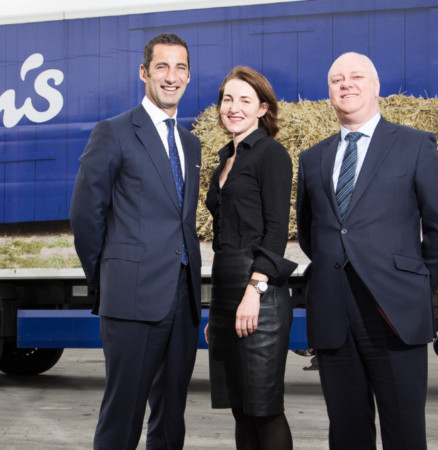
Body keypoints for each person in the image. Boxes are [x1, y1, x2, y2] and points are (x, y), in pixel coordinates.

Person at [297, 52, 438, 450]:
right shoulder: (312, 159)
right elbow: (313, 233)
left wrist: (424, 289)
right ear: (329, 93)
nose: (346, 84)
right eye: (337, 79)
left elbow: (437, 226)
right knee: (347, 433)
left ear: (376, 86)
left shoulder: (414, 146)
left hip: (395, 312)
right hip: (334, 316)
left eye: (356, 76)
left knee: (405, 433)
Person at [70, 33, 202, 449]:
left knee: (170, 417)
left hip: (182, 298)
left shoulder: (190, 143)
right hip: (131, 298)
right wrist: (109, 276)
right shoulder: (113, 133)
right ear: (144, 72)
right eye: (162, 66)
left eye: (180, 67)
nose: (171, 76)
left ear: (188, 75)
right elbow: (85, 215)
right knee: (122, 415)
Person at [204, 66, 296, 450]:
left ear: (262, 109)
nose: (234, 108)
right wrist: (217, 311)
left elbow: (276, 231)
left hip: (260, 295)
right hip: (228, 293)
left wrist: (254, 290)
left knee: (264, 408)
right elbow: (224, 239)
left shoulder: (271, 155)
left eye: (245, 100)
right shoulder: (224, 159)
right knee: (240, 407)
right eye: (228, 99)